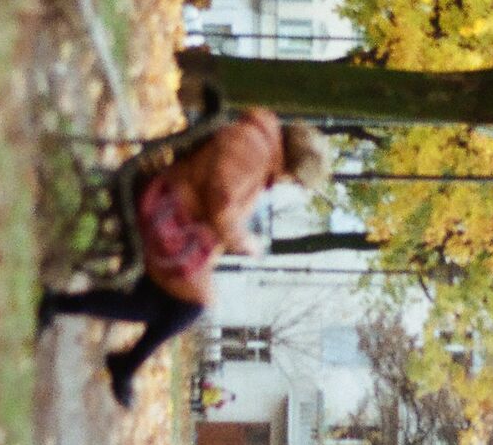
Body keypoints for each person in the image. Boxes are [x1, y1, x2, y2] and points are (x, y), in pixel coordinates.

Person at [39, 109, 332, 408]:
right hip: (167, 211)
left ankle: (74, 316)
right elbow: (220, 198)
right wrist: (242, 241)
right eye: (296, 181)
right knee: (188, 305)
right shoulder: (255, 149)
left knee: (169, 306)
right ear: (293, 167)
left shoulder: (261, 148)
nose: (289, 185)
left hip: (180, 217)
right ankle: (114, 354)